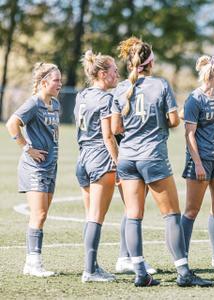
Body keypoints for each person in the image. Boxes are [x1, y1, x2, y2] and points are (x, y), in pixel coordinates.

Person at [111, 37, 213, 287]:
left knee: (133, 216)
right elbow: (174, 121)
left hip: (127, 157)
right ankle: (184, 272)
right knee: (171, 215)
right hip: (152, 156)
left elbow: (115, 127)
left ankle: (139, 273)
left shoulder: (120, 88)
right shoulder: (161, 84)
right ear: (150, 62)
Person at [6, 62, 62, 277]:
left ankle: (33, 262)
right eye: (56, 80)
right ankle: (32, 263)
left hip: (50, 166)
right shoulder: (32, 104)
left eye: (59, 80)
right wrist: (28, 148)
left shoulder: (55, 104)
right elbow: (12, 123)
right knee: (38, 214)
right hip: (35, 168)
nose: (60, 84)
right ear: (44, 82)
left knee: (43, 214)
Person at [181, 55, 214, 271]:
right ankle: (181, 256)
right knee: (191, 210)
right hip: (200, 161)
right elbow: (189, 135)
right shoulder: (194, 99)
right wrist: (198, 164)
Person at [74, 50, 120, 282]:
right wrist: (119, 162)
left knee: (89, 216)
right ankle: (90, 270)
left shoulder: (81, 95)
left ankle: (92, 265)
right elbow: (108, 136)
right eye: (114, 71)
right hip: (100, 158)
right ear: (103, 74)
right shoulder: (107, 99)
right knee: (96, 217)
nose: (117, 74)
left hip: (82, 158)